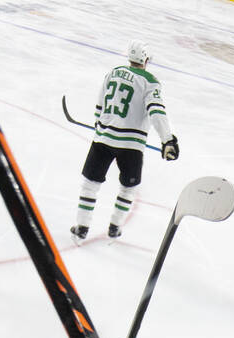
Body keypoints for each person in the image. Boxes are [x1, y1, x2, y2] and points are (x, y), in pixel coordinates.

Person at [70, 41, 178, 244]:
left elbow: (100, 103)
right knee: (128, 188)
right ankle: (115, 227)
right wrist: (168, 140)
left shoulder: (113, 72)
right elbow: (156, 111)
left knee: (90, 185)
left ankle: (82, 227)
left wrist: (99, 124)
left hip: (103, 139)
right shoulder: (150, 81)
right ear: (146, 60)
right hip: (131, 146)